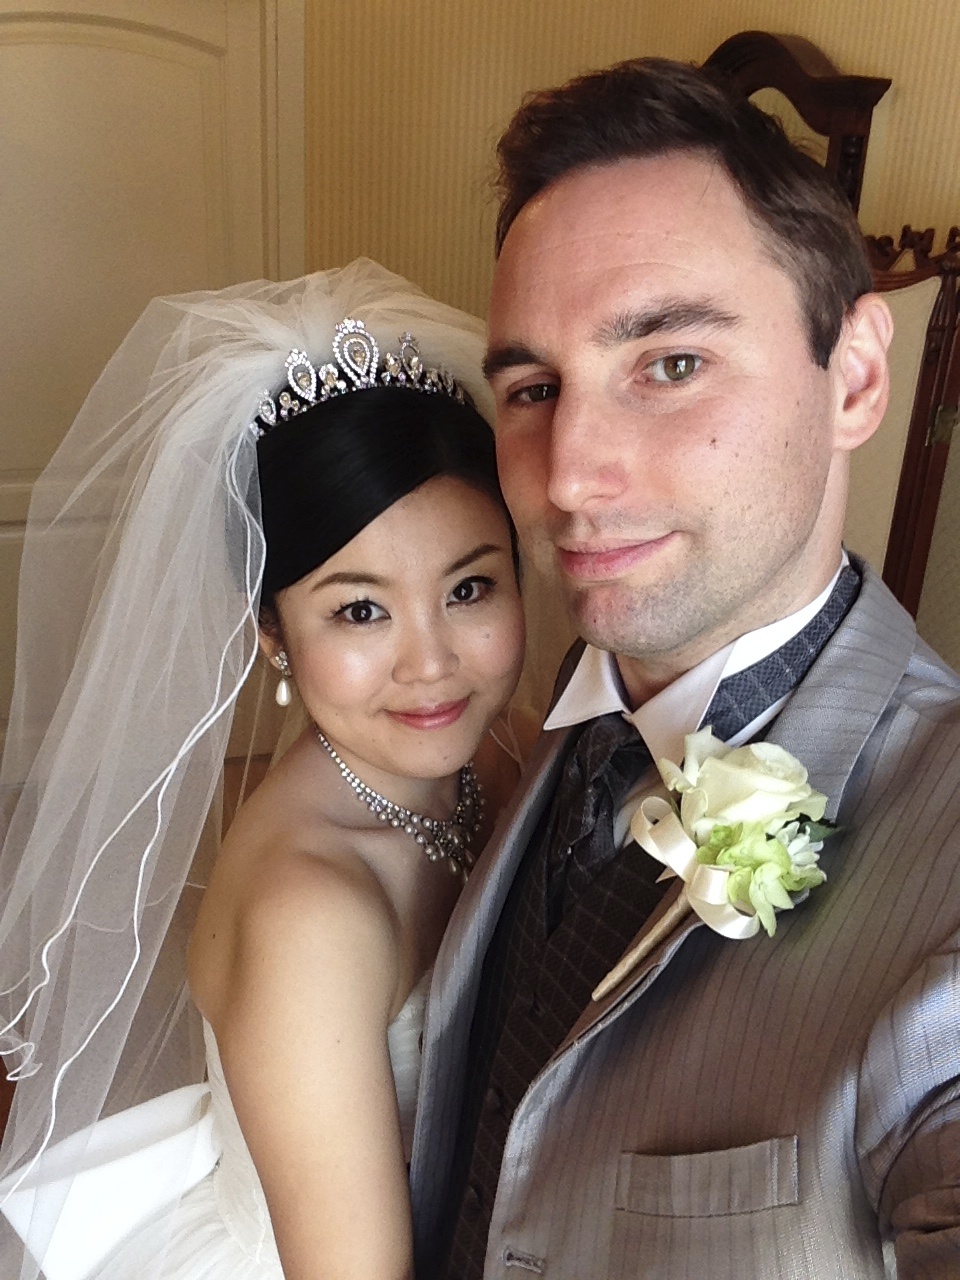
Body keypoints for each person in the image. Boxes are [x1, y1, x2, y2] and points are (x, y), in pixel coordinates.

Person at [410, 59, 960, 1279]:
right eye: (532, 388)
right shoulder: (544, 719)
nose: (566, 474)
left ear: (856, 376)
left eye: (669, 363)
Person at [0, 259, 526, 1280]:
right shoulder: (307, 915)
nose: (431, 662)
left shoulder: (508, 747)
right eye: (360, 609)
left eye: (469, 588)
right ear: (273, 635)